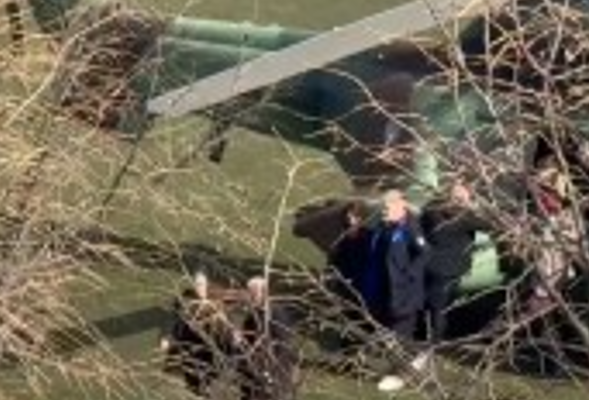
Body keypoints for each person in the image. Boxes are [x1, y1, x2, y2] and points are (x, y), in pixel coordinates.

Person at [367, 190, 430, 392]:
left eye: (387, 208)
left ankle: (399, 375)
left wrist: (407, 274)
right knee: (389, 334)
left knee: (400, 334)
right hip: (385, 291)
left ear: (400, 205)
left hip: (405, 293)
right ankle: (414, 357)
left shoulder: (411, 227)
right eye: (382, 208)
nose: (383, 211)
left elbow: (424, 253)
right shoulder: (384, 226)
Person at [420, 180, 491, 344]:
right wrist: (472, 206)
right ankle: (435, 341)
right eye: (461, 198)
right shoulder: (461, 218)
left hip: (434, 264)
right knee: (439, 307)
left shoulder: (431, 209)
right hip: (447, 268)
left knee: (436, 304)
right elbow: (488, 224)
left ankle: (432, 334)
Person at [160, 272, 235, 397]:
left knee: (208, 381)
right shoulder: (185, 301)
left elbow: (226, 323)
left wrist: (231, 335)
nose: (199, 287)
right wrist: (167, 338)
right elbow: (174, 321)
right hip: (190, 347)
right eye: (197, 285)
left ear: (206, 285)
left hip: (210, 348)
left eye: (201, 284)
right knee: (193, 382)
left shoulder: (215, 302)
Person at [236, 277, 299, 400]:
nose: (251, 297)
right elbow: (247, 342)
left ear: (264, 293)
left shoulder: (276, 314)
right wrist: (239, 340)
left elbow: (282, 345)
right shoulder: (252, 315)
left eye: (254, 293)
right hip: (253, 375)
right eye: (250, 293)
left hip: (273, 375)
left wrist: (270, 372)